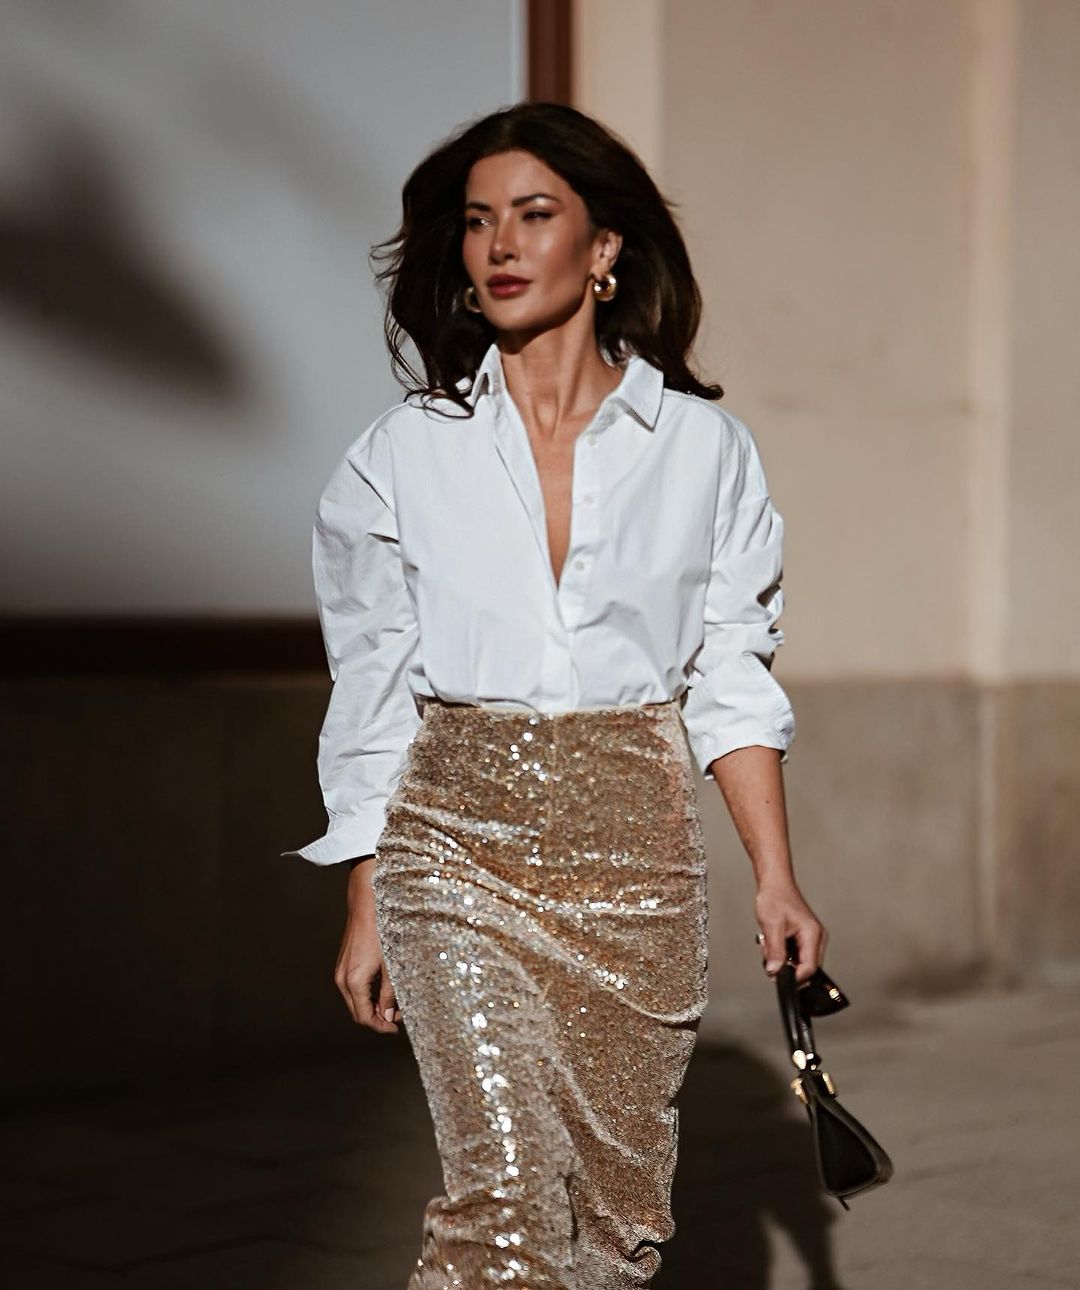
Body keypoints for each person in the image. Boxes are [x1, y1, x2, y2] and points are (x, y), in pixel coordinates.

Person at [284, 101, 827, 1290]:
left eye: (534, 215)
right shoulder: (404, 452)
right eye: (479, 222)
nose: (500, 245)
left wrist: (776, 874)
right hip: (452, 846)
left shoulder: (703, 450)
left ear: (604, 245)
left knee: (612, 1233)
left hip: (636, 858)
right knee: (503, 1205)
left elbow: (730, 675)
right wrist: (368, 891)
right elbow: (372, 683)